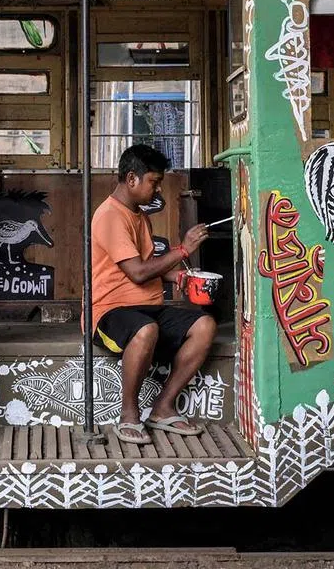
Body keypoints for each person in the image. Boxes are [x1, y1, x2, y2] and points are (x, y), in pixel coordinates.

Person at [88, 144, 216, 445]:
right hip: (107, 312)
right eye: (154, 182)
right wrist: (183, 250)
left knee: (204, 325)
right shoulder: (110, 215)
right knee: (146, 330)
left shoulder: (137, 215)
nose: (157, 189)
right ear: (132, 179)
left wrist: (181, 277)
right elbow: (138, 272)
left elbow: (148, 267)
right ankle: (129, 415)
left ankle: (163, 407)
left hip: (146, 309)